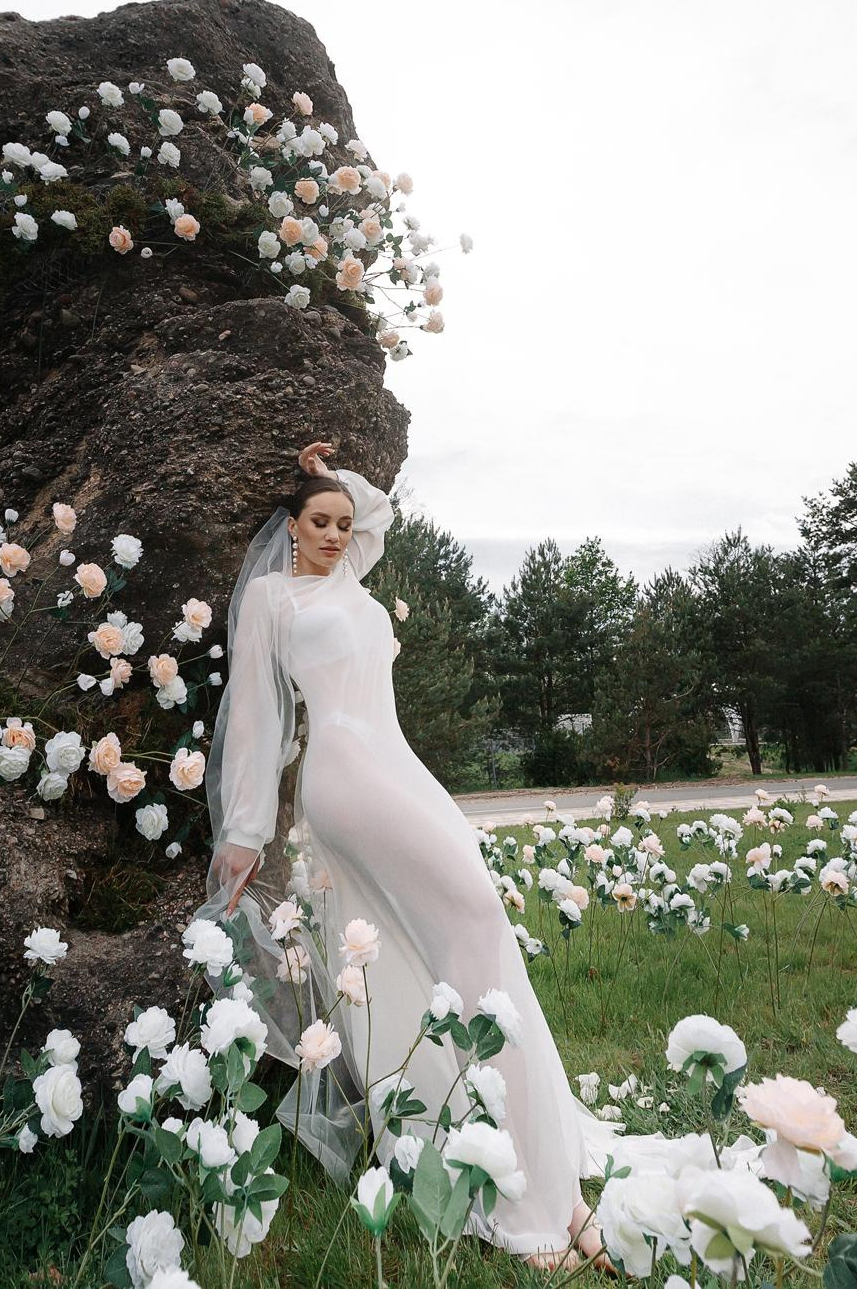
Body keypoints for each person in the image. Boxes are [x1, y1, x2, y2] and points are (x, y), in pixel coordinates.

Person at [194, 440, 693, 1273]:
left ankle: (547, 1176)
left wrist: (341, 476)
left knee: (464, 946)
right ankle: (538, 1209)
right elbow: (250, 715)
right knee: (478, 931)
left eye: (341, 524)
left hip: (399, 767)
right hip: (348, 778)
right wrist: (244, 830)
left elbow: (380, 511)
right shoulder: (274, 600)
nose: (334, 533)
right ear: (291, 526)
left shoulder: (349, 581)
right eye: (319, 520)